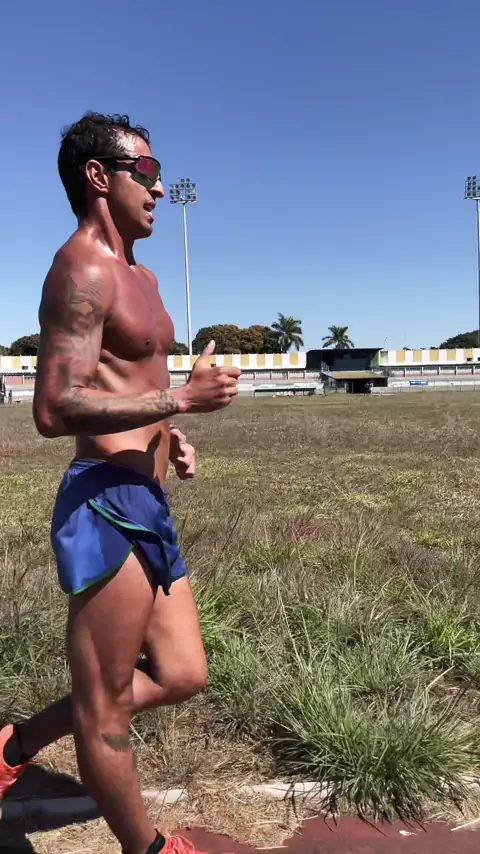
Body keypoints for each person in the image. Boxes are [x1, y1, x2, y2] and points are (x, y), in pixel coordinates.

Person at [0, 113, 241, 854]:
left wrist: (170, 433)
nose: (160, 188)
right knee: (104, 714)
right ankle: (151, 850)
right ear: (99, 176)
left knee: (183, 672)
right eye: (148, 170)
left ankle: (14, 745)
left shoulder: (145, 276)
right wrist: (179, 400)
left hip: (148, 497)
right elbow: (54, 408)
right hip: (107, 502)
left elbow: (131, 385)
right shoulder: (81, 270)